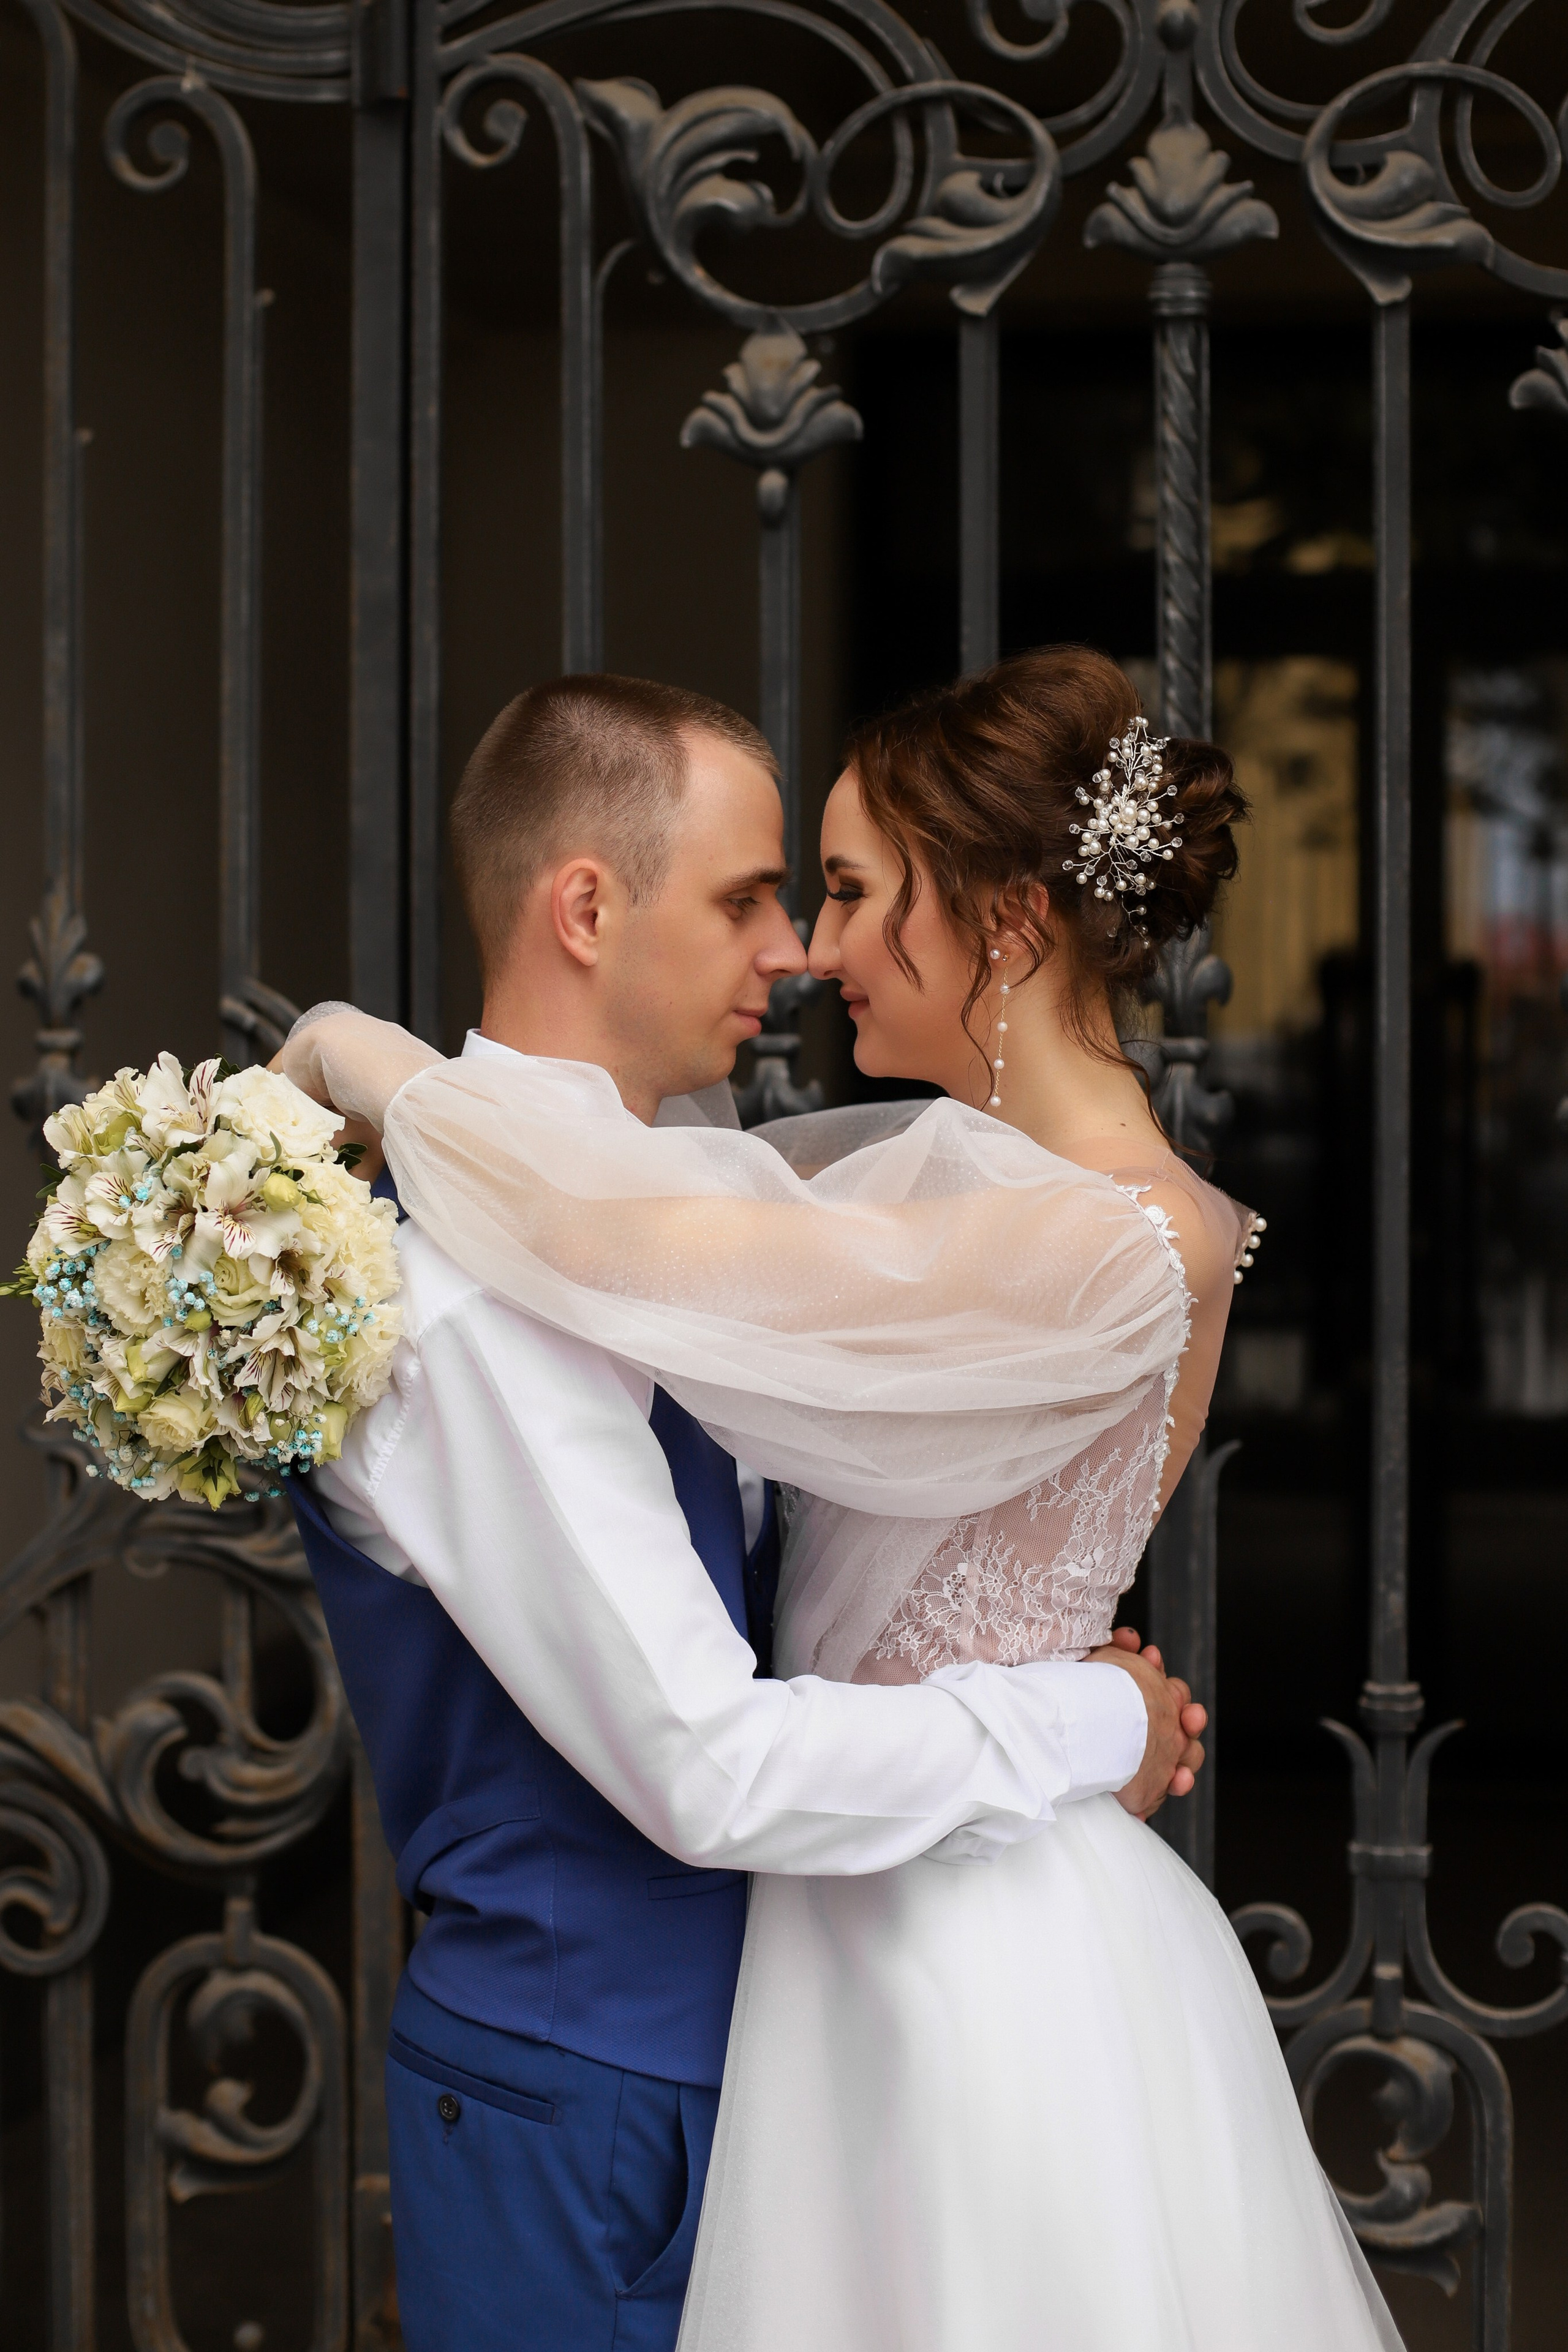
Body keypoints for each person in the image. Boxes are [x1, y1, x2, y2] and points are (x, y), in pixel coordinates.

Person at [286, 647, 1403, 2351]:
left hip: (941, 1947)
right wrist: (1087, 1720)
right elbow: (653, 1220)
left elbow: (621, 1224)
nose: (808, 948)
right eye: (778, 893)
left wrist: (344, 1061)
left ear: (1007, 922)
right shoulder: (933, 1210)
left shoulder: (1081, 1233)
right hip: (825, 1943)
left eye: (850, 889)